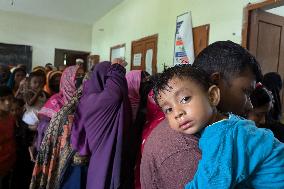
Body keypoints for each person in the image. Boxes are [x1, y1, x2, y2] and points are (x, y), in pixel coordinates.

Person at [140, 40, 263, 189]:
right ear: (215, 85)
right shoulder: (181, 146)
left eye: (185, 99)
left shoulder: (223, 130)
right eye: (246, 92)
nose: (250, 105)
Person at [152, 64, 284, 188]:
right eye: (168, 109)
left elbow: (209, 185)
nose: (177, 113)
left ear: (212, 96)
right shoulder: (229, 122)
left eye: (185, 99)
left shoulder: (223, 135)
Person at [71, 60, 131, 189]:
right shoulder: (97, 100)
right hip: (103, 157)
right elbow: (115, 93)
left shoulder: (88, 97)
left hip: (98, 159)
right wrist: (117, 69)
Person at [30, 65, 86, 189]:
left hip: (77, 158)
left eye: (83, 76)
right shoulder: (56, 101)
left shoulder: (86, 100)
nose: (81, 80)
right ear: (67, 79)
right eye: (77, 76)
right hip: (56, 156)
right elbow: (43, 128)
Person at [10, 98, 34, 189]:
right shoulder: (8, 123)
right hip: (14, 155)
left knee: (26, 176)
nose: (15, 112)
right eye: (12, 110)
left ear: (22, 109)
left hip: (25, 154)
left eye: (17, 109)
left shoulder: (25, 120)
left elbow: (31, 129)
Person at [0, 86, 16, 189]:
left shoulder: (10, 117)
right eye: (2, 100)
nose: (7, 103)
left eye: (10, 99)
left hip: (9, 161)